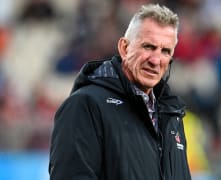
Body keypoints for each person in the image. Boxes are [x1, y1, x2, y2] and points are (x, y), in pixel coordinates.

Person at [49, 3, 191, 180]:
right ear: (124, 48)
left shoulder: (172, 117)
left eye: (165, 51)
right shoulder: (85, 105)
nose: (156, 60)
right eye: (148, 47)